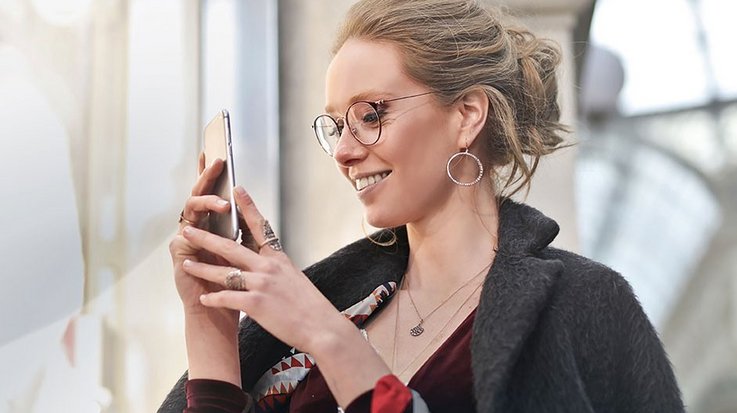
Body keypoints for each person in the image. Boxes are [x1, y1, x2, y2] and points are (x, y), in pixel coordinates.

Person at [160, 0, 685, 412]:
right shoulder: (338, 303)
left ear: (466, 115)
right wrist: (210, 329)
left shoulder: (586, 304)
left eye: (371, 114)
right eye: (335, 125)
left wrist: (328, 336)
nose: (343, 150)